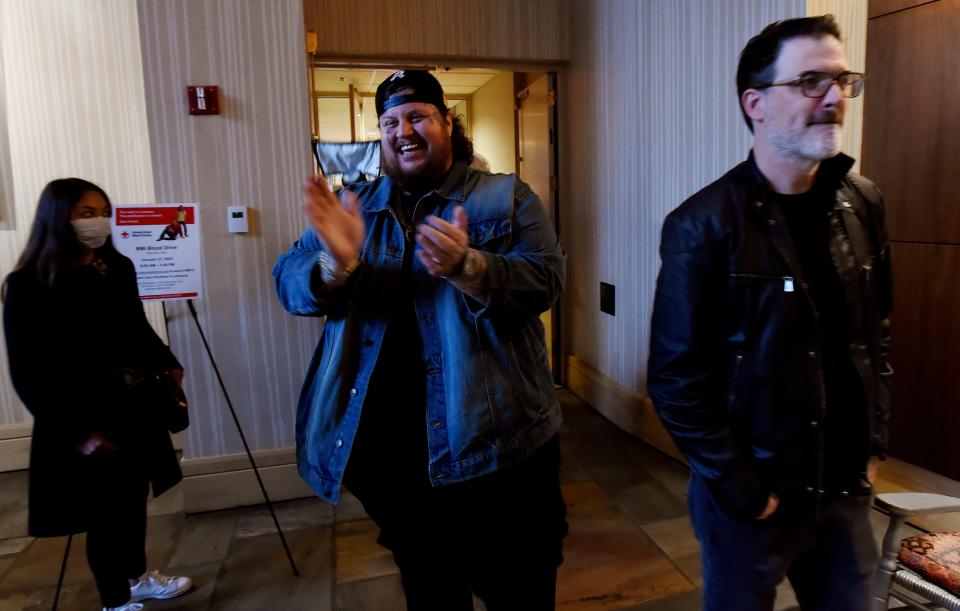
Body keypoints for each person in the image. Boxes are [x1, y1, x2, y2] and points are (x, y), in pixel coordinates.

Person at [274, 70, 567, 610]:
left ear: (446, 124)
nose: (402, 130)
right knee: (431, 589)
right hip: (394, 461)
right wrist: (333, 266)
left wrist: (469, 266)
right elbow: (288, 282)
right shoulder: (351, 207)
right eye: (389, 121)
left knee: (520, 585)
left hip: (499, 452)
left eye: (417, 116)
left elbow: (546, 280)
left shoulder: (505, 197)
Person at [647, 15, 892, 611]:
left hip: (842, 492)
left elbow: (876, 334)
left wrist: (873, 445)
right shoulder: (701, 226)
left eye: (842, 81)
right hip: (753, 502)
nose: (834, 98)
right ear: (755, 103)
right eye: (810, 81)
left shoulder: (863, 204)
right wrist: (744, 491)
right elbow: (675, 379)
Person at [3, 178, 193, 611]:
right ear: (58, 218)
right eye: (86, 213)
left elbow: (135, 325)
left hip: (134, 403)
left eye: (103, 211)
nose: (98, 222)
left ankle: (136, 576)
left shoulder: (116, 267)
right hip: (82, 413)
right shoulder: (29, 283)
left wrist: (168, 359)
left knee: (132, 500)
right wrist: (77, 432)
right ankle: (114, 599)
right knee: (103, 513)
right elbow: (27, 372)